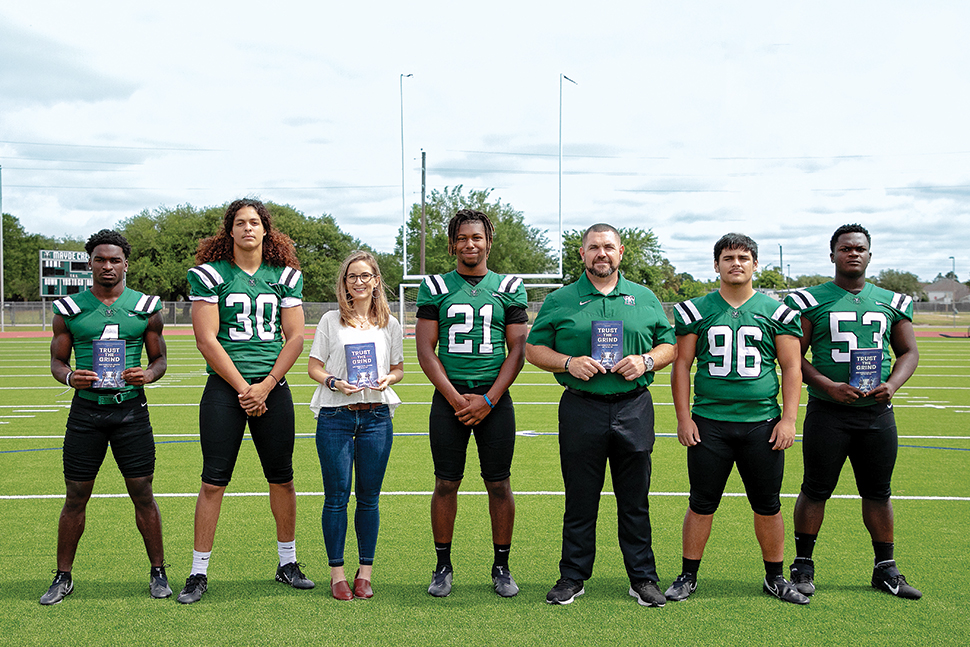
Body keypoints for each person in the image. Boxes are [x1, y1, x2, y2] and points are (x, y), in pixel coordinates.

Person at [525, 223, 676, 607]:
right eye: (593, 247)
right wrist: (568, 362)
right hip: (581, 406)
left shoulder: (644, 297)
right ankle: (572, 576)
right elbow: (534, 349)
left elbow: (669, 345)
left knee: (635, 500)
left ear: (621, 252)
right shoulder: (560, 299)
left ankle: (642, 578)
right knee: (580, 498)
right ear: (582, 254)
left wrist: (645, 361)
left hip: (633, 406)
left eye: (608, 247)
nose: (601, 254)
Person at [178, 199, 313, 604]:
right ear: (230, 231)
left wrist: (267, 384)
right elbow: (206, 340)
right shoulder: (210, 275)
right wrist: (244, 388)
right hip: (226, 388)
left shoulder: (286, 276)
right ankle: (198, 571)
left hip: (273, 387)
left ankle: (287, 563)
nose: (248, 228)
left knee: (283, 477)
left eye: (255, 222)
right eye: (241, 223)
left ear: (265, 230)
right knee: (213, 481)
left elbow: (296, 338)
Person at [665, 233, 808, 605]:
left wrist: (789, 420)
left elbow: (792, 367)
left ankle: (775, 577)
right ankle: (688, 575)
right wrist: (684, 418)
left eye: (744, 257)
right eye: (728, 257)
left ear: (755, 264)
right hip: (709, 421)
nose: (736, 263)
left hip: (762, 422)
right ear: (716, 265)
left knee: (768, 503)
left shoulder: (777, 311)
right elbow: (681, 364)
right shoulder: (696, 309)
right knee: (701, 502)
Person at [784, 224, 921, 599]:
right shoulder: (811, 300)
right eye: (845, 248)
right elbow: (795, 357)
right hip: (829, 411)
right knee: (815, 489)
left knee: (878, 492)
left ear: (870, 255)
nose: (853, 253)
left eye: (860, 248)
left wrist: (891, 385)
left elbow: (909, 351)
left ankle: (885, 569)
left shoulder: (892, 302)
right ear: (833, 255)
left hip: (876, 412)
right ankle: (803, 565)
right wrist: (828, 385)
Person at [41, 229, 169, 605]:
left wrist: (146, 374)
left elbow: (160, 359)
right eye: (100, 259)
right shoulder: (70, 308)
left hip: (130, 409)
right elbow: (57, 360)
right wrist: (69, 377)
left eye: (115, 260)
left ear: (126, 264)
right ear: (90, 264)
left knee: (142, 493)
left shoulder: (146, 306)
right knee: (76, 494)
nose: (108, 266)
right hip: (86, 412)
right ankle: (63, 576)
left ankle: (158, 572)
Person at [415, 209, 529, 598]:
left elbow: (517, 349)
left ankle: (501, 565)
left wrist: (488, 399)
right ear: (452, 244)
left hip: (494, 399)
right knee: (446, 482)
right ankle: (443, 565)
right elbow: (425, 349)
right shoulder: (435, 286)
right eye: (462, 238)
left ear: (489, 242)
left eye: (476, 238)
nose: (469, 244)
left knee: (499, 484)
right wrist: (455, 398)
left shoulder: (510, 286)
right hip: (450, 398)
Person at [308, 251, 404, 600]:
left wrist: (387, 379)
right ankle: (337, 574)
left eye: (365, 276)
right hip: (335, 415)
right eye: (352, 277)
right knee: (335, 498)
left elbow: (398, 368)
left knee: (369, 498)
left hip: (376, 416)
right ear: (344, 283)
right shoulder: (331, 320)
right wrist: (334, 382)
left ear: (376, 280)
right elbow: (314, 366)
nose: (359, 282)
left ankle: (365, 573)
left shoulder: (390, 324)